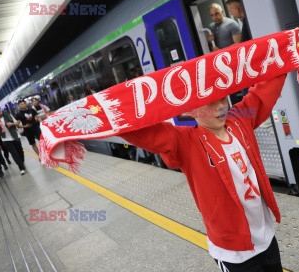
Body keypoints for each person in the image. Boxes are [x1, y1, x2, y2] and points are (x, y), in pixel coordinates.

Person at [120, 75, 286, 271]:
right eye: (210, 103)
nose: (220, 107)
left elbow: (262, 94)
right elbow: (143, 131)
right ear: (189, 110)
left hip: (266, 237)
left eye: (223, 98)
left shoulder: (240, 120)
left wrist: (286, 52)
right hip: (233, 253)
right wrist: (102, 114)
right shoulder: (186, 142)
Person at [0, 106, 27, 175]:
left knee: (20, 152)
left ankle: (21, 163)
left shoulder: (8, 115)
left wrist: (12, 124)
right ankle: (21, 168)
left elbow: (17, 123)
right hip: (6, 139)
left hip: (15, 136)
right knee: (14, 154)